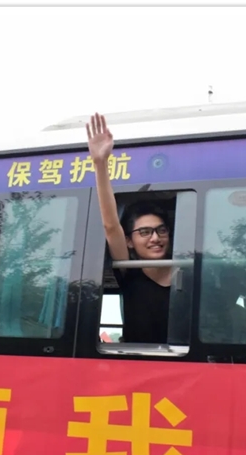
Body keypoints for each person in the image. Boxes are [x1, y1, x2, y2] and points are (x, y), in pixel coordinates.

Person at [86, 113, 172, 344]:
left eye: (161, 230)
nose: (155, 238)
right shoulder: (129, 273)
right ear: (129, 241)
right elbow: (111, 226)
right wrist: (100, 164)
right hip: (138, 363)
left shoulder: (186, 272)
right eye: (145, 232)